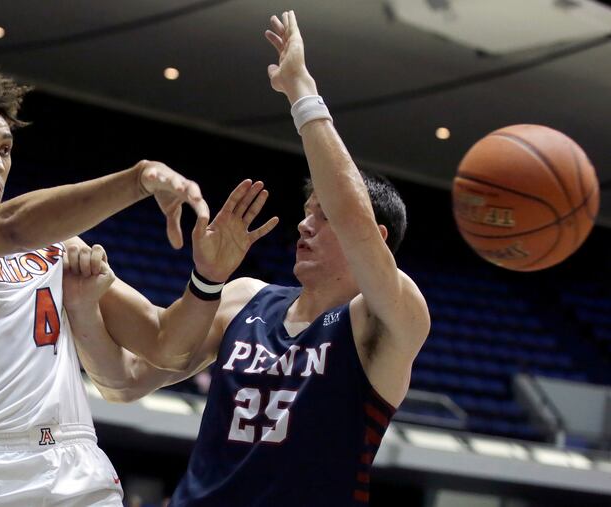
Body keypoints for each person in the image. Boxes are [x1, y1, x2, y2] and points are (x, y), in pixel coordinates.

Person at [64, 11, 430, 507]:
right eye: (306, 213)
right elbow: (124, 381)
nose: (304, 224)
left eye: (321, 217)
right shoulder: (246, 299)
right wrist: (85, 308)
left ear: (375, 237)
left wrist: (302, 90)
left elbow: (353, 216)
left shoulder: (387, 318)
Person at [0, 58, 276, 506]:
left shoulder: (60, 244)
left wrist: (208, 278)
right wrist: (138, 179)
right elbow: (6, 228)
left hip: (78, 462)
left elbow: (165, 344)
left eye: (5, 148)